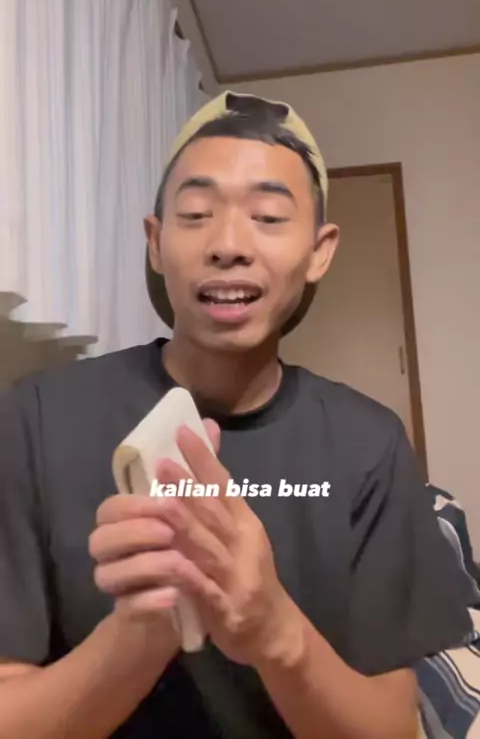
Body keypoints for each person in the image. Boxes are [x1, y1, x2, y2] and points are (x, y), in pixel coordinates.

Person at [0, 91, 472, 739]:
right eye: (196, 214)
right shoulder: (35, 419)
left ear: (320, 251)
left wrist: (276, 632)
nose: (227, 244)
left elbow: (392, 726)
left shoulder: (369, 445)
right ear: (156, 242)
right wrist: (140, 635)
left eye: (269, 217)